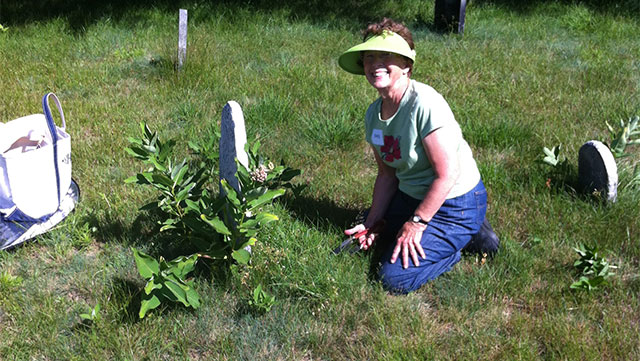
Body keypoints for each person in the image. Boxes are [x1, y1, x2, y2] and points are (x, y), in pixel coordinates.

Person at [339, 18, 499, 294]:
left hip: (454, 203)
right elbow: (387, 175)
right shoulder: (372, 115)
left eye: (385, 55)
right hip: (412, 195)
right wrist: (372, 223)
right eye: (369, 57)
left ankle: (464, 239)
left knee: (393, 279)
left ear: (406, 66)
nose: (375, 63)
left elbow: (447, 174)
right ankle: (460, 233)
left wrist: (416, 223)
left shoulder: (425, 104)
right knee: (364, 234)